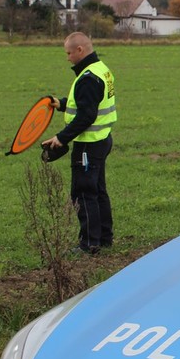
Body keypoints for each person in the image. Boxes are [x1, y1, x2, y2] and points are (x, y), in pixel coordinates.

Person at [42, 32, 117, 255]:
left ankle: (89, 244)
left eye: (69, 53)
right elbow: (87, 104)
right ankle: (104, 238)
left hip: (88, 145)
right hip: (102, 140)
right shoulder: (101, 69)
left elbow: (86, 116)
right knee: (98, 191)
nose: (68, 58)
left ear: (80, 50)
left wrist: (61, 137)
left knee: (84, 193)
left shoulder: (87, 78)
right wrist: (61, 104)